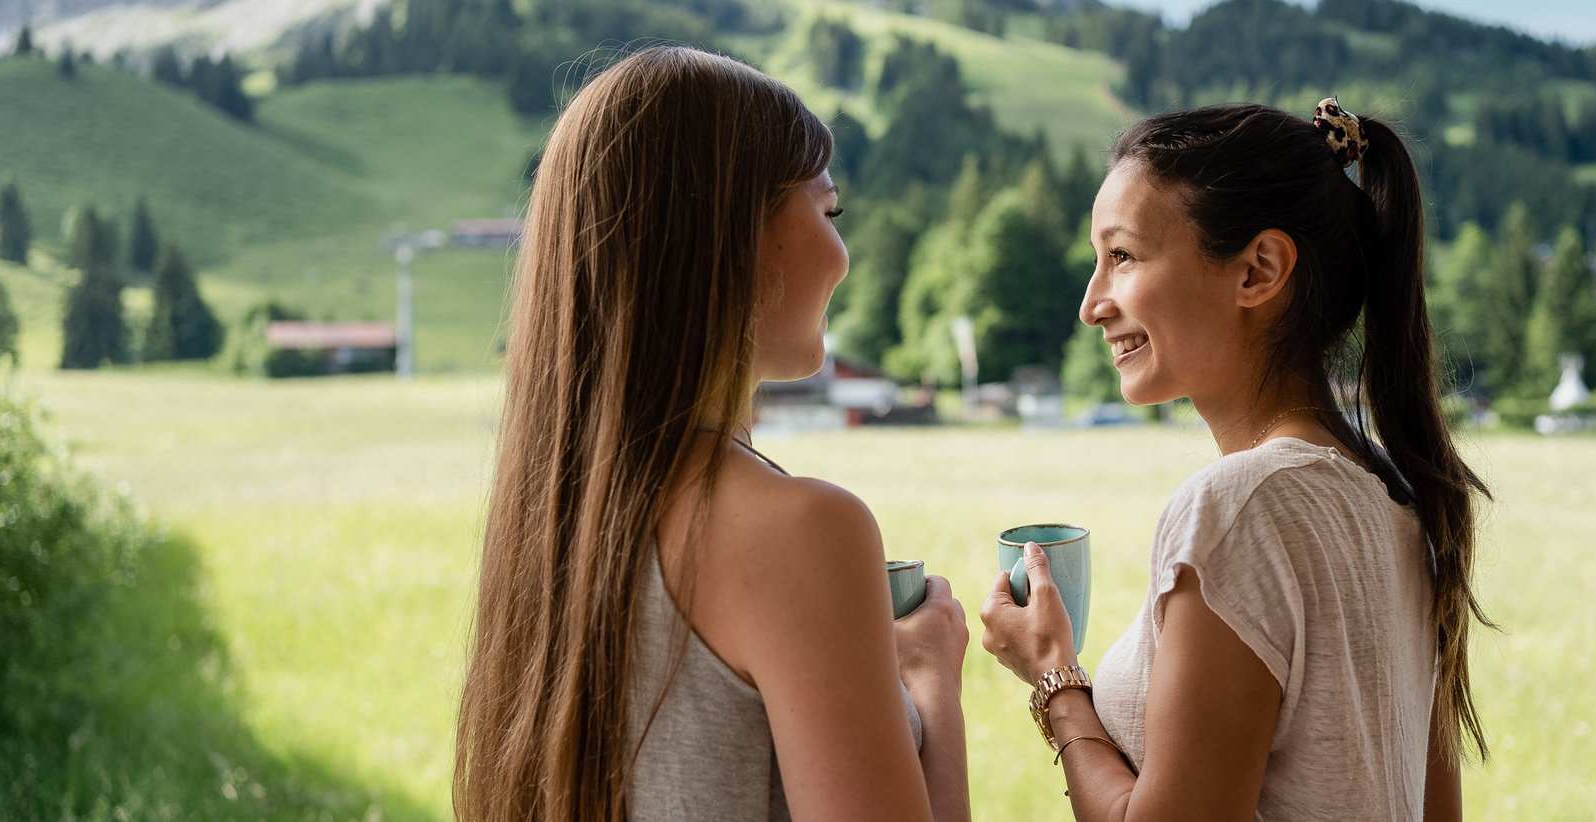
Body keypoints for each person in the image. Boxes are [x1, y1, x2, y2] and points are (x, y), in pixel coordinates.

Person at [454, 46, 970, 821]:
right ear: (729, 234)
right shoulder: (802, 531)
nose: (842, 255)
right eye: (827, 211)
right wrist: (933, 685)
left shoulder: (554, 525)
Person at [979, 99, 1492, 819]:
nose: (1092, 304)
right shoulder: (1396, 496)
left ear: (1259, 270)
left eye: (1122, 257)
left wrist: (1053, 678)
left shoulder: (1239, 507)